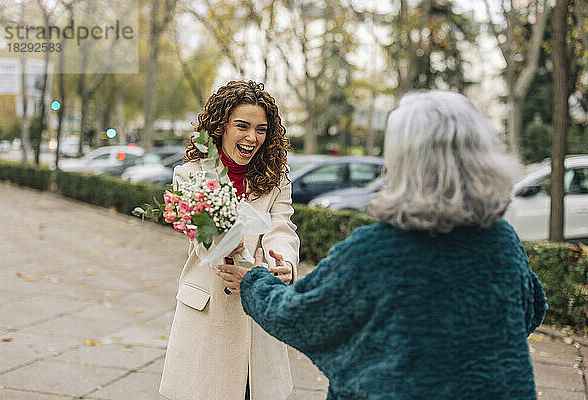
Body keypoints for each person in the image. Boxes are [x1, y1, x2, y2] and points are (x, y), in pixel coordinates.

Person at [218, 90, 548, 399]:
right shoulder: (503, 240)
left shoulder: (378, 251)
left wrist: (254, 282)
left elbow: (301, 317)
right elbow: (531, 308)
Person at [159, 80, 300, 400]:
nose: (253, 138)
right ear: (221, 126)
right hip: (208, 312)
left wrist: (283, 262)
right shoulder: (190, 175)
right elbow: (200, 241)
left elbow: (282, 224)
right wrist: (229, 247)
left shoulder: (276, 175)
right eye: (243, 126)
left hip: (257, 313)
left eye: (261, 129)